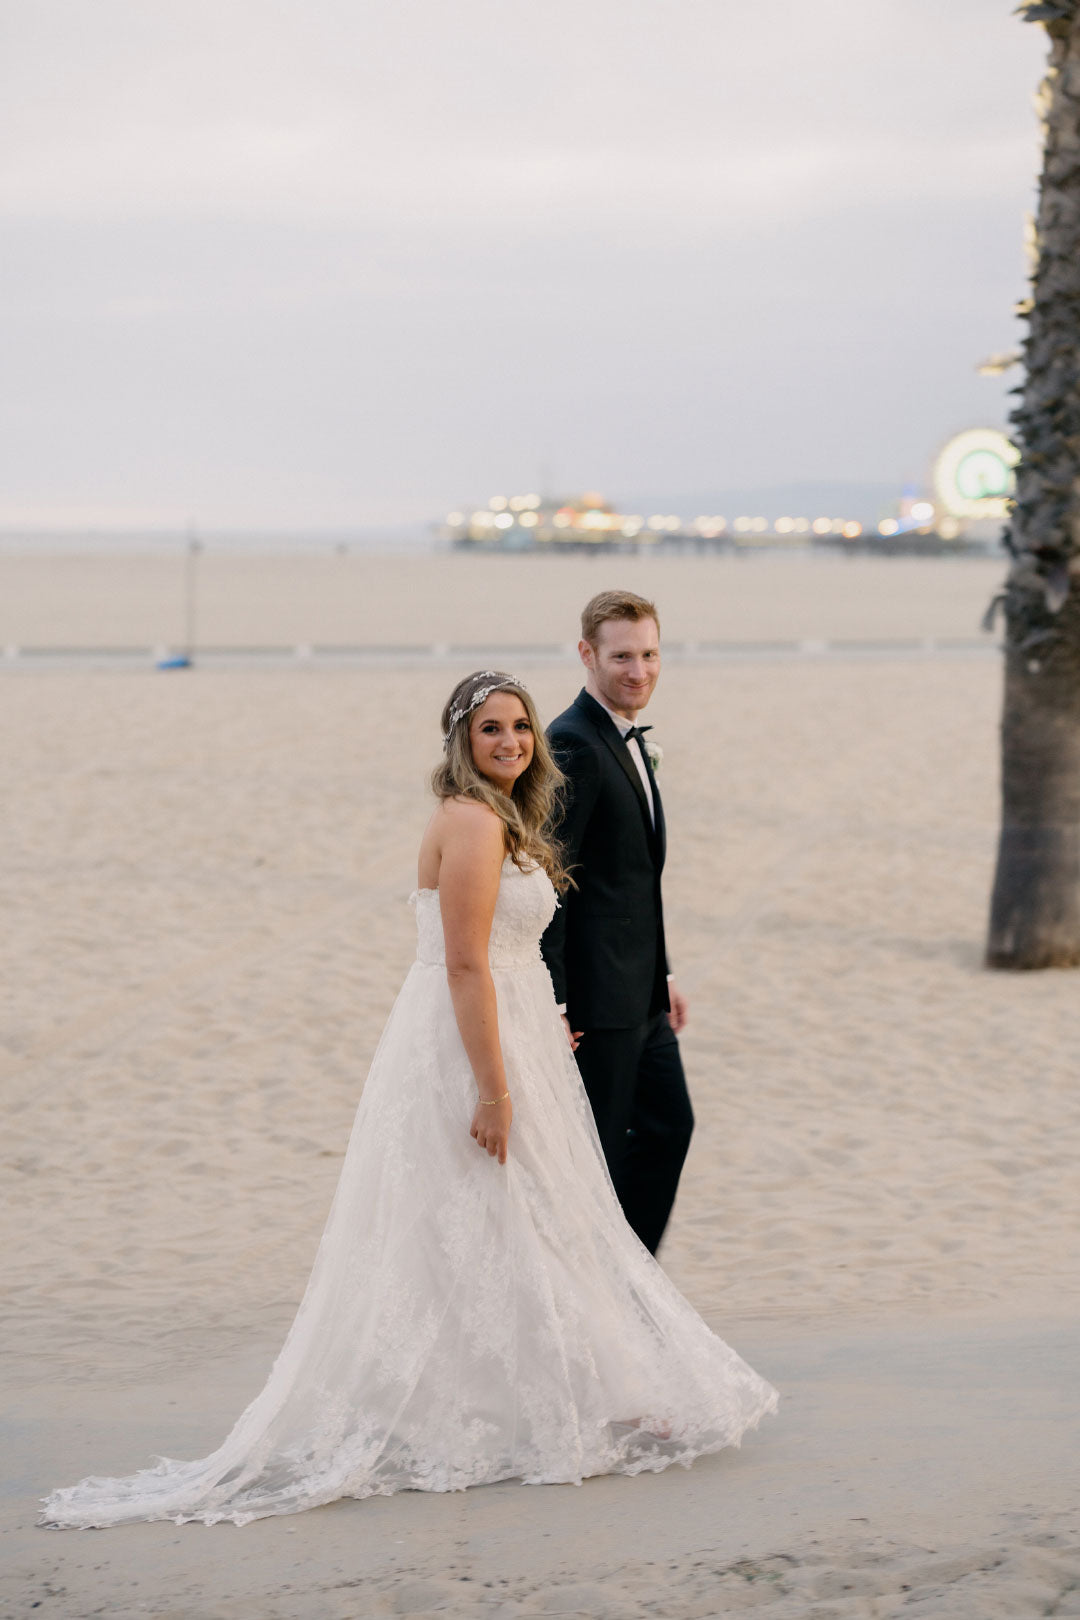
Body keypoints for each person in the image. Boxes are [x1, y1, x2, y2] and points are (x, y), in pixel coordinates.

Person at [42, 670, 775, 1530]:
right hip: (474, 1044)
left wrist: (543, 1024)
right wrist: (495, 1088)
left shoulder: (504, 817)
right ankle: (543, 1398)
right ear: (461, 742)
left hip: (518, 1027)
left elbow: (505, 953)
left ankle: (581, 1386)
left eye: (520, 729)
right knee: (501, 1214)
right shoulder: (468, 821)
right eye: (490, 730)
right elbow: (465, 963)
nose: (509, 742)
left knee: (539, 1218)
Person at [541, 590, 690, 1255]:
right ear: (587, 655)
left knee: (669, 1128)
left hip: (643, 990)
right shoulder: (572, 743)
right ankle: (602, 1288)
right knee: (597, 1154)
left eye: (650, 654)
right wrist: (555, 999)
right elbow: (550, 881)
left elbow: (634, 879)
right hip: (597, 1001)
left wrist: (665, 973)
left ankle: (632, 1278)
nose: (639, 671)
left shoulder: (624, 737)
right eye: (622, 656)